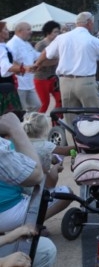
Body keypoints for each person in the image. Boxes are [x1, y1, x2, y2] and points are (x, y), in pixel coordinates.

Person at [33, 12, 99, 111]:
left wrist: (36, 64)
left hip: (65, 82)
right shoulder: (93, 40)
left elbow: (45, 53)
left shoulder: (62, 38)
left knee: (70, 116)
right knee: (93, 115)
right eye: (92, 23)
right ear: (89, 23)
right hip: (85, 82)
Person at [0, 112, 57, 267]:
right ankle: (37, 224)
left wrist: (9, 237)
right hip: (10, 213)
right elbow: (38, 176)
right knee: (45, 249)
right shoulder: (12, 147)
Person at [22, 113, 72, 221]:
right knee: (67, 192)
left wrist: (51, 158)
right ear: (45, 129)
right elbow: (66, 151)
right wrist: (81, 144)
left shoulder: (20, 143)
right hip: (36, 191)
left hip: (21, 192)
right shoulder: (45, 145)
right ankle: (36, 221)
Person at [7, 23, 41, 113]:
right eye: (28, 29)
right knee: (20, 110)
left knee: (36, 105)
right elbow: (9, 62)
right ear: (19, 31)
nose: (31, 32)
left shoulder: (26, 44)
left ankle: (27, 121)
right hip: (19, 84)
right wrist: (24, 68)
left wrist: (49, 53)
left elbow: (36, 55)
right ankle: (23, 121)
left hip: (29, 83)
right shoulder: (12, 44)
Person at [33, 21, 60, 114]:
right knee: (45, 103)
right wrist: (57, 60)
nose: (57, 34)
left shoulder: (57, 44)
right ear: (48, 32)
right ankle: (37, 121)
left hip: (54, 77)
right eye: (55, 32)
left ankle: (56, 121)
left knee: (60, 100)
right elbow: (38, 62)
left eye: (58, 32)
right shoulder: (41, 45)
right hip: (41, 78)